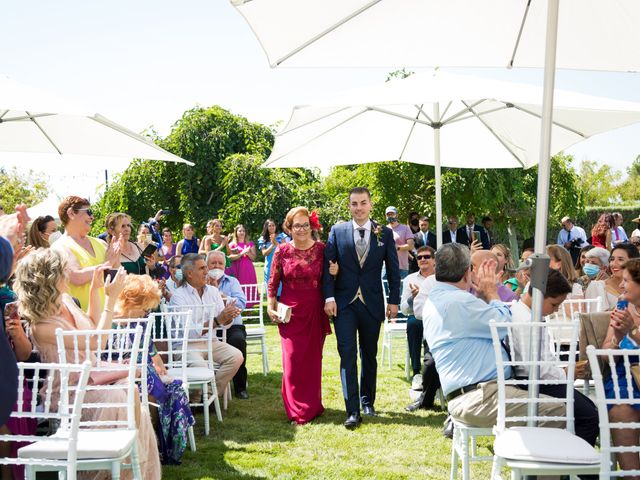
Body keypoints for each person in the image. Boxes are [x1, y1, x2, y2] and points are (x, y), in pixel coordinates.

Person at [14, 249, 162, 479]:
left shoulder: (65, 301)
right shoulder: (42, 325)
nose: (68, 275)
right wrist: (111, 299)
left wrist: (95, 290)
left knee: (128, 389)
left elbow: (92, 324)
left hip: (92, 379)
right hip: (70, 390)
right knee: (121, 395)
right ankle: (114, 470)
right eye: (63, 271)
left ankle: (132, 470)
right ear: (50, 278)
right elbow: (97, 342)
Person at [422, 243, 563, 428]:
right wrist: (491, 292)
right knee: (561, 410)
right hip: (481, 397)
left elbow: (477, 324)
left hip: (473, 394)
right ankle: (523, 455)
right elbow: (504, 324)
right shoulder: (460, 301)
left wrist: (482, 297)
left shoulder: (438, 297)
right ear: (467, 272)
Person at [323, 187, 400, 429]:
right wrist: (328, 298)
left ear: (371, 204)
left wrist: (394, 301)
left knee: (369, 354)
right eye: (354, 204)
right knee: (347, 355)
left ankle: (368, 401)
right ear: (349, 206)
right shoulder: (337, 231)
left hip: (372, 302)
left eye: (363, 203)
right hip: (344, 303)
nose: (358, 208)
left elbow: (394, 269)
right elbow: (328, 267)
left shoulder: (384, 233)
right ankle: (352, 410)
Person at [510, 269, 599, 446]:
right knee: (589, 415)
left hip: (540, 380)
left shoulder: (525, 314)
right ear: (538, 295)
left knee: (590, 409)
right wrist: (567, 373)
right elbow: (534, 368)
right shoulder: (527, 321)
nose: (556, 310)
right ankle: (576, 466)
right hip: (534, 384)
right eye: (554, 304)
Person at [114, 274, 195, 465]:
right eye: (144, 308)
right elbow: (103, 356)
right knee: (151, 390)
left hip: (144, 374)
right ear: (130, 302)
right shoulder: (111, 322)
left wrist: (162, 369)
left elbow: (152, 352)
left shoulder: (140, 323)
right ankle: (148, 445)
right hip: (121, 376)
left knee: (174, 389)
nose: (146, 313)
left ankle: (157, 445)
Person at [267, 207, 332, 425]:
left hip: (314, 309)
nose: (301, 229)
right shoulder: (282, 251)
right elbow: (273, 281)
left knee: (313, 360)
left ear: (311, 226)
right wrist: (270, 305)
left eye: (305, 225)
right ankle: (296, 409)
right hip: (289, 312)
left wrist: (336, 272)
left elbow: (331, 279)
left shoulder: (322, 249)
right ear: (289, 227)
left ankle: (313, 405)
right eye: (297, 225)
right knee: (292, 360)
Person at [169, 253, 243, 397]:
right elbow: (187, 332)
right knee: (201, 367)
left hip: (212, 342)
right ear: (189, 274)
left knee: (236, 356)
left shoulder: (213, 292)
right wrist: (217, 320)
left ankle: (208, 396)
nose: (206, 271)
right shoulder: (178, 297)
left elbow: (224, 325)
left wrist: (228, 317)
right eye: (202, 268)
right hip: (186, 346)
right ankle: (200, 399)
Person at [600, 257, 640, 473]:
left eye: (626, 280)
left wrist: (632, 331)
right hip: (624, 372)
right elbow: (606, 352)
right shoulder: (622, 306)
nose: (621, 285)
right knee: (621, 409)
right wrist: (615, 340)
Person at [51, 196, 120, 311]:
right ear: (71, 213)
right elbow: (76, 277)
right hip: (80, 322)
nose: (92, 217)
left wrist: (116, 260)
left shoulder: (101, 243)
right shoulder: (59, 247)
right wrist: (108, 263)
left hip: (108, 317)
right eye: (88, 212)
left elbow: (116, 276)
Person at [206, 250, 249, 399]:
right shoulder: (200, 283)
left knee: (238, 341)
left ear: (225, 266)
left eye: (220, 263)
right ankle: (207, 386)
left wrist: (223, 297)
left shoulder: (232, 281)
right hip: (210, 326)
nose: (216, 266)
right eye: (213, 263)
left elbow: (242, 303)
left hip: (233, 325)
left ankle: (240, 387)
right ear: (206, 265)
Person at [400, 246, 435, 389]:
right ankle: (416, 372)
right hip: (417, 317)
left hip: (436, 317)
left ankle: (434, 369)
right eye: (419, 257)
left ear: (434, 260)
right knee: (413, 324)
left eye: (426, 257)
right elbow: (403, 309)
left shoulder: (441, 277)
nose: (423, 260)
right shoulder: (410, 278)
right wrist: (413, 299)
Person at [106, 212, 162, 277]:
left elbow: (152, 274)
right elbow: (111, 280)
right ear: (112, 230)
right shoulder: (111, 253)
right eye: (122, 226)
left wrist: (151, 266)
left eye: (128, 225)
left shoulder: (139, 246)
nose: (127, 229)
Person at [586, 243, 640, 310]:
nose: (613, 264)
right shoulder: (597, 286)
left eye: (620, 259)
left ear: (633, 262)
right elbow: (594, 317)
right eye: (612, 259)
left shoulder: (637, 287)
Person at [226, 224, 258, 305]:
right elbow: (229, 258)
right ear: (236, 232)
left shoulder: (250, 244)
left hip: (247, 268)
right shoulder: (232, 244)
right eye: (240, 231)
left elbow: (253, 258)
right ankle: (238, 306)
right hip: (236, 268)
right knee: (238, 287)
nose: (242, 232)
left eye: (243, 231)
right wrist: (241, 253)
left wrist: (248, 253)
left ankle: (249, 308)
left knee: (249, 286)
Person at [383, 206, 414, 279]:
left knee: (400, 290)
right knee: (385, 290)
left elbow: (411, 246)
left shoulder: (405, 228)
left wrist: (397, 247)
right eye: (388, 214)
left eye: (392, 214)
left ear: (397, 215)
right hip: (386, 266)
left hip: (401, 267)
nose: (390, 216)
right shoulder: (383, 229)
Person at [258, 218, 289, 289]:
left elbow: (285, 251)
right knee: (271, 288)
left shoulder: (281, 236)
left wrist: (275, 242)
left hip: (281, 266)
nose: (272, 227)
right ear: (266, 227)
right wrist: (272, 245)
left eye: (273, 225)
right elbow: (264, 253)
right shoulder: (263, 239)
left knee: (281, 290)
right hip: (269, 266)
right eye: (269, 226)